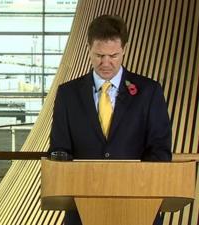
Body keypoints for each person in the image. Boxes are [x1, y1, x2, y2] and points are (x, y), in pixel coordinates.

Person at [48, 15, 171, 225]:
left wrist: (139, 187)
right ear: (88, 49)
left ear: (125, 49)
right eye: (99, 55)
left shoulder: (149, 92)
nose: (106, 63)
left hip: (138, 207)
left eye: (113, 55)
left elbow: (160, 150)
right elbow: (59, 150)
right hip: (81, 210)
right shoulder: (67, 94)